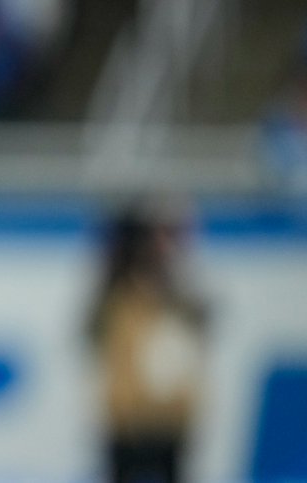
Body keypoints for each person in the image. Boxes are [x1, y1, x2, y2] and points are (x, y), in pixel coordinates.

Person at [85, 198, 207, 483]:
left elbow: (201, 323)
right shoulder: (117, 296)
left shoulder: (179, 295)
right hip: (127, 419)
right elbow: (92, 334)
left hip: (170, 418)